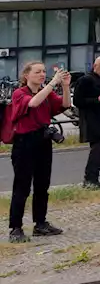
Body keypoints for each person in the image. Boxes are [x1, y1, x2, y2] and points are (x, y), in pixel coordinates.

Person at [8, 62, 70, 243]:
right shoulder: (20, 94)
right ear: (26, 75)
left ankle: (40, 224)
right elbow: (34, 103)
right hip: (25, 142)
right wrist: (52, 83)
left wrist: (65, 86)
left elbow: (65, 105)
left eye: (44, 71)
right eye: (37, 72)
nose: (42, 74)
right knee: (22, 187)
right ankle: (15, 227)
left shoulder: (47, 93)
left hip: (43, 141)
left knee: (43, 185)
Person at [73, 56, 100, 189]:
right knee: (97, 148)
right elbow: (78, 101)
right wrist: (97, 99)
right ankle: (90, 179)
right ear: (94, 66)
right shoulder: (85, 80)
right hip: (92, 118)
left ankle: (93, 178)